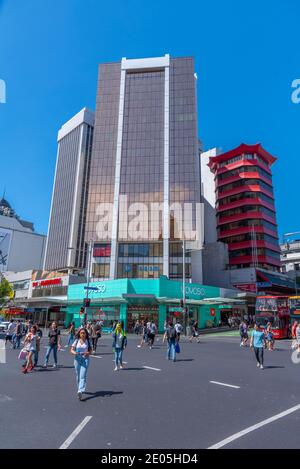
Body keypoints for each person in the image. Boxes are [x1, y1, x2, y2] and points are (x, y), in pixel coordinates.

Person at [70, 328, 92, 400]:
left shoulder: (88, 341)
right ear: (79, 334)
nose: (83, 334)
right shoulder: (76, 341)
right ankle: (80, 388)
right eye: (81, 333)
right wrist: (75, 353)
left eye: (84, 333)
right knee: (78, 375)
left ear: (86, 334)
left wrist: (87, 353)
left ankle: (80, 390)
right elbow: (71, 350)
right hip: (77, 359)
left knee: (82, 375)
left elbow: (91, 350)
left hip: (85, 360)